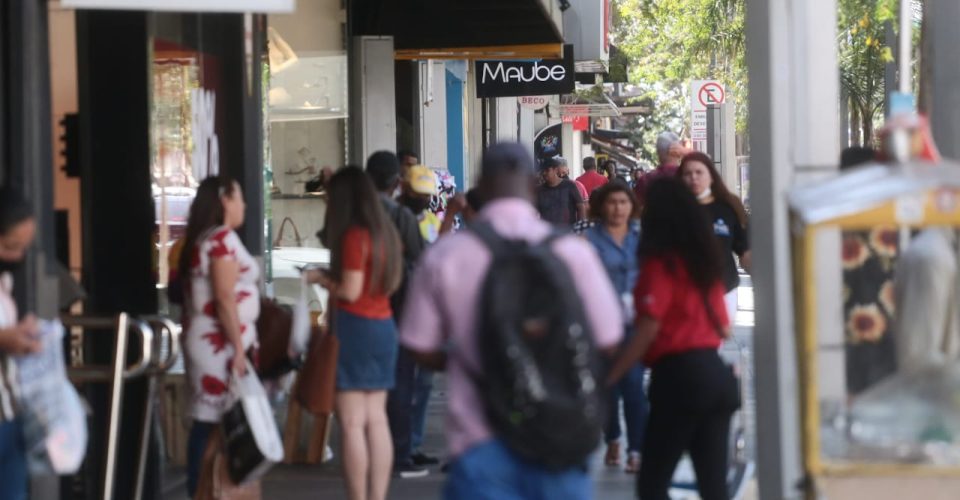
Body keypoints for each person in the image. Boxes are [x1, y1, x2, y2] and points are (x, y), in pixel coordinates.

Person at [400, 143, 624, 500]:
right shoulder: (572, 252)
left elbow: (417, 344)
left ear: (481, 185)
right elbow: (610, 339)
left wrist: (469, 358)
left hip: (480, 444)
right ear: (532, 185)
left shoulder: (447, 255)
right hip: (560, 439)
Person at [607, 177, 738, 500]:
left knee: (652, 484)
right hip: (715, 377)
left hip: (679, 378)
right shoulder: (705, 266)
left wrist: (612, 375)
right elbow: (725, 329)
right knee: (714, 486)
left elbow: (649, 327)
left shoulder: (661, 265)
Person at [306, 166, 404, 500]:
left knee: (350, 423)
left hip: (355, 329)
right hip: (383, 327)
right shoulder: (384, 232)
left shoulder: (353, 236)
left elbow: (349, 290)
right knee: (376, 419)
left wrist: (319, 278)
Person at [179, 177, 260, 498]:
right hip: (220, 348)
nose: (245, 205)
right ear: (225, 200)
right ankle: (203, 491)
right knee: (212, 422)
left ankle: (205, 490)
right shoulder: (221, 240)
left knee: (213, 424)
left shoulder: (208, 238)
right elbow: (224, 297)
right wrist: (239, 349)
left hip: (217, 344)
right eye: (239, 197)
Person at [365, 152, 431, 478]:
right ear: (396, 183)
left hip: (358, 307)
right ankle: (400, 452)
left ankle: (376, 450)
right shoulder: (398, 215)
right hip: (398, 304)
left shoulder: (352, 211)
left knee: (367, 388)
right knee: (402, 381)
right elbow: (420, 256)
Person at [582, 181, 648, 474]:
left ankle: (636, 449)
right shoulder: (589, 240)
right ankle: (613, 438)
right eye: (612, 202)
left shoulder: (641, 238)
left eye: (623, 202)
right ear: (601, 206)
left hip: (635, 324)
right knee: (607, 388)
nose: (617, 208)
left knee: (634, 386)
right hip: (601, 325)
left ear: (631, 206)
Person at [0, 188, 41, 500]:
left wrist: (20, 334)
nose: (17, 257)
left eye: (23, 248)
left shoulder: (5, 280)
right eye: (11, 246)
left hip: (10, 411)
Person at [678, 152, 751, 323]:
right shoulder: (673, 210)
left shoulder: (728, 207)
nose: (693, 178)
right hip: (685, 292)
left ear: (711, 176)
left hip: (725, 289)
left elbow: (744, 249)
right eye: (688, 174)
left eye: (699, 172)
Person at [634, 131, 687, 207]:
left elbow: (636, 209)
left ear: (658, 152)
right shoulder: (688, 177)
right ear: (677, 152)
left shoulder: (645, 180)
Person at [536, 156, 586, 226]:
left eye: (547, 170)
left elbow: (581, 207)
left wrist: (580, 228)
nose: (544, 173)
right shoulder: (539, 190)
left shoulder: (569, 186)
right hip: (547, 233)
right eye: (542, 171)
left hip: (568, 232)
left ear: (555, 170)